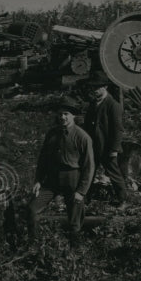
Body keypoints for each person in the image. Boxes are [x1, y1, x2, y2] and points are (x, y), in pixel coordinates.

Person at [28, 96, 95, 239]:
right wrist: (38, 180)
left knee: (74, 220)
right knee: (32, 209)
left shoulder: (82, 137)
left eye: (66, 114)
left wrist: (81, 191)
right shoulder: (52, 134)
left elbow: (89, 167)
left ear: (73, 115)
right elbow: (43, 159)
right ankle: (34, 242)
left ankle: (74, 250)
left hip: (72, 179)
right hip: (52, 179)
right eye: (60, 114)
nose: (62, 117)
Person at [84, 70, 128, 204]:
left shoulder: (113, 105)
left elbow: (117, 129)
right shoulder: (93, 104)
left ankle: (123, 201)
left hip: (107, 148)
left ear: (105, 87)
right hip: (94, 146)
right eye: (93, 87)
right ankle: (85, 199)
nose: (95, 90)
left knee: (114, 174)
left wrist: (114, 149)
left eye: (98, 87)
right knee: (88, 172)